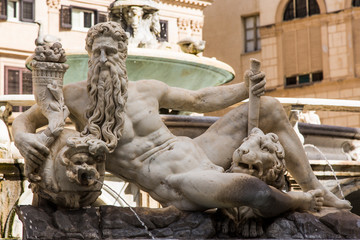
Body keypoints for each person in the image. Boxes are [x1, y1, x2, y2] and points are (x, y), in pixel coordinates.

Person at [13, 22, 350, 217]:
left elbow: (199, 100)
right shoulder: (73, 96)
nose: (103, 59)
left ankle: (317, 190)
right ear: (89, 56)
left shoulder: (147, 88)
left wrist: (244, 89)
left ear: (123, 55)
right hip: (177, 179)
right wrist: (21, 137)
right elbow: (26, 120)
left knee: (271, 108)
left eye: (110, 51)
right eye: (97, 52)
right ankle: (302, 203)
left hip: (196, 148)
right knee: (253, 192)